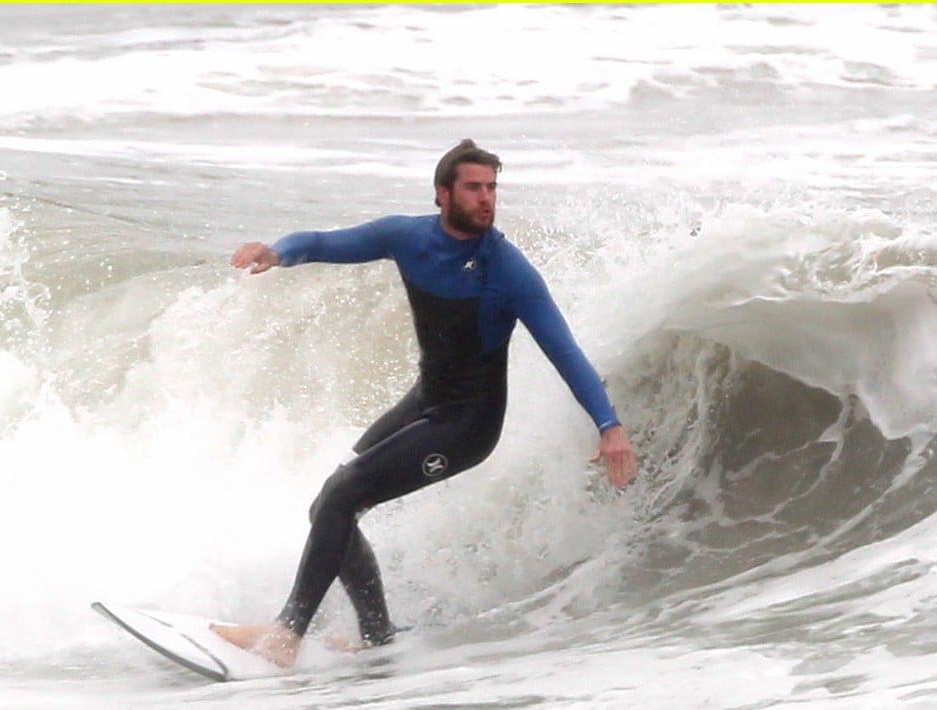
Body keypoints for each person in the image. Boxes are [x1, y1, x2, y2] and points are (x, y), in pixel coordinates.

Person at [216, 140, 638, 667]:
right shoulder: (408, 237)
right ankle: (377, 638)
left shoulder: (508, 272)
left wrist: (608, 425)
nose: (486, 199)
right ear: (443, 194)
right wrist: (278, 253)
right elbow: (325, 242)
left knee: (343, 495)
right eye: (474, 188)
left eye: (491, 188)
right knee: (329, 505)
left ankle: (286, 636)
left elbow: (565, 352)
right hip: (427, 401)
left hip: (468, 425)